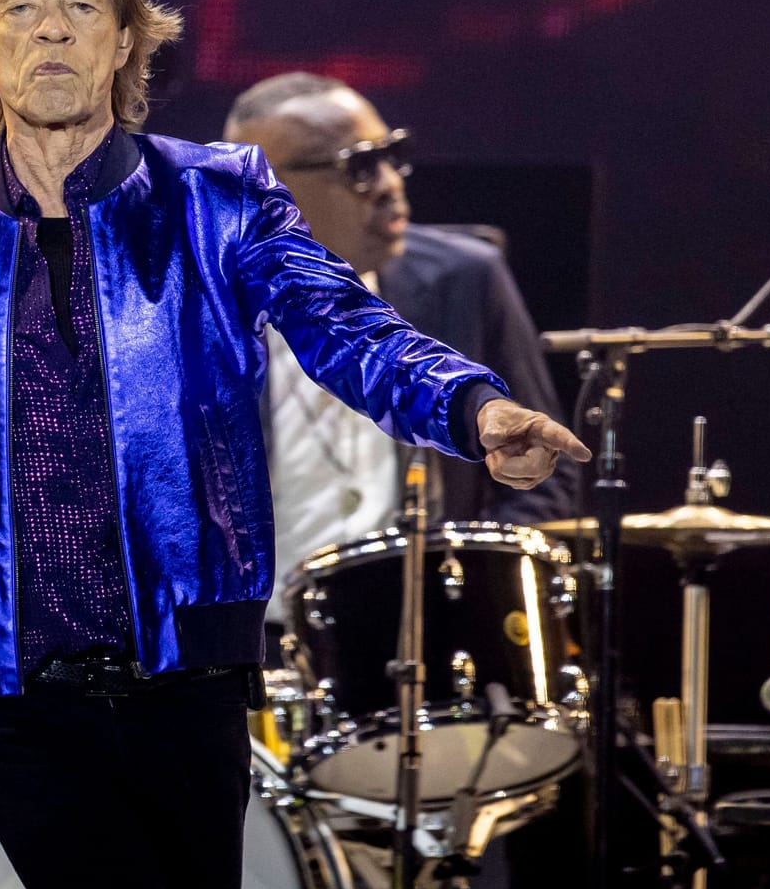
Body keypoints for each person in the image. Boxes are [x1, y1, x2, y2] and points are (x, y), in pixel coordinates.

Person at [0, 0, 589, 889]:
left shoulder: (217, 198)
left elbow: (344, 327)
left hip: (190, 685)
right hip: (13, 694)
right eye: (22, 5)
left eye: (83, 5)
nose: (52, 29)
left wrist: (472, 410)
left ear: (128, 36)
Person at [223, 72, 577, 592]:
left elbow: (542, 469)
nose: (391, 183)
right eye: (360, 166)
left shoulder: (466, 277)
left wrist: (478, 596)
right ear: (264, 188)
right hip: (256, 647)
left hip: (427, 634)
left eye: (393, 154)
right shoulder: (196, 305)